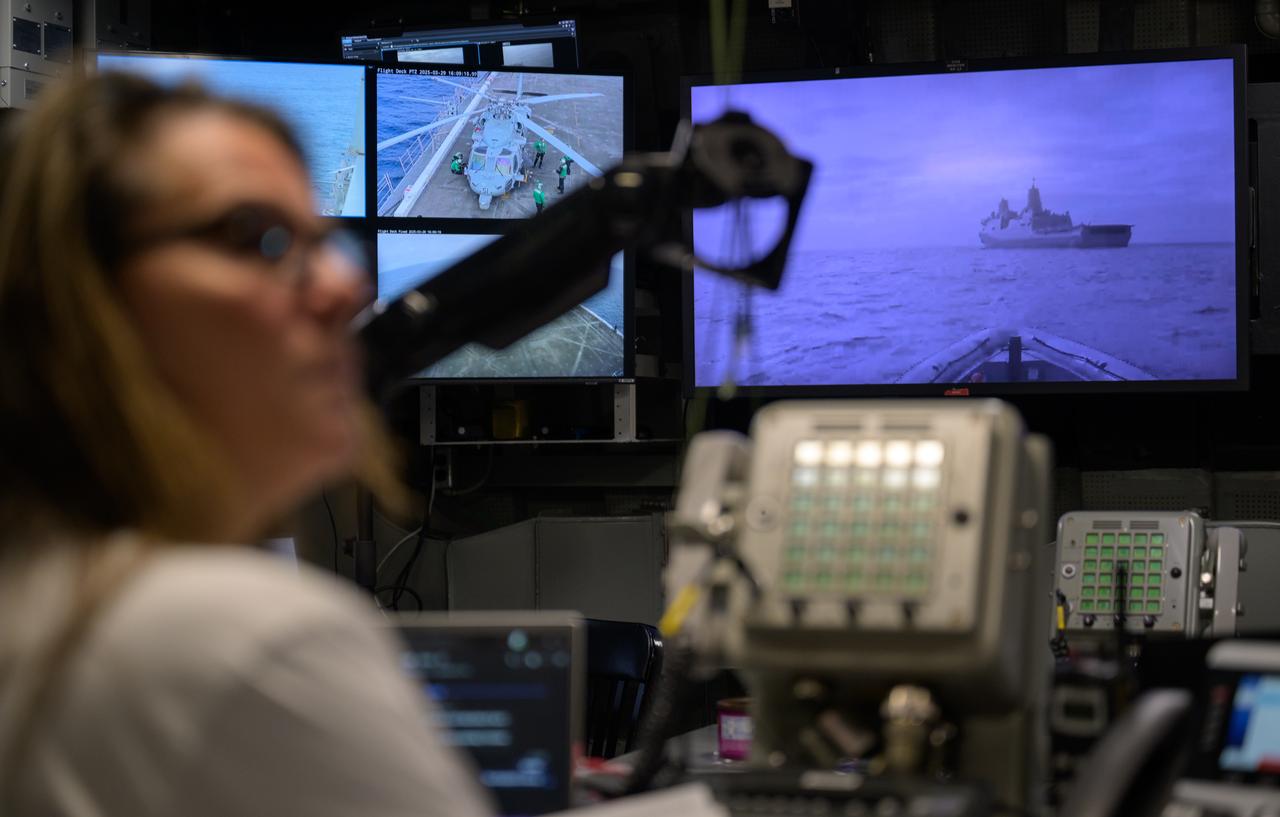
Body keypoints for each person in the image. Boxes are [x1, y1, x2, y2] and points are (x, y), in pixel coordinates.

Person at [0, 73, 493, 817]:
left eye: (324, 243)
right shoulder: (243, 637)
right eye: (255, 237)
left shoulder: (41, 594)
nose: (343, 290)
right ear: (74, 299)